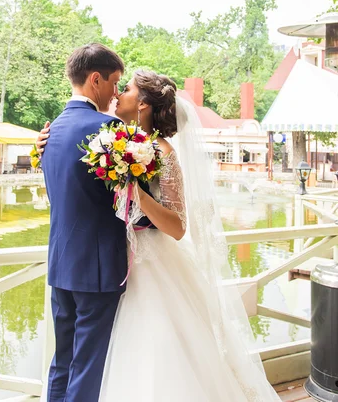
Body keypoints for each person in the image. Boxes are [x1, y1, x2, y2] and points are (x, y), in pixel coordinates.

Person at [37, 68, 281, 402]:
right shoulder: (115, 141)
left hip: (149, 266)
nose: (118, 93)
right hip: (113, 263)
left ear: (143, 105)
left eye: (127, 88)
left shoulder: (164, 154)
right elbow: (73, 173)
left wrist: (138, 195)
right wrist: (41, 146)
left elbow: (178, 226)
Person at [40, 43, 126, 402]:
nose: (116, 93)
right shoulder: (109, 129)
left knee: (63, 361)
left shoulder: (50, 132)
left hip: (61, 264)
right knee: (88, 366)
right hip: (98, 268)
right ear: (95, 80)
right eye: (114, 83)